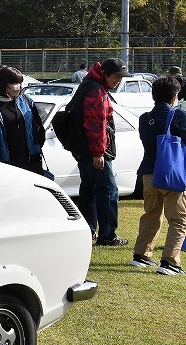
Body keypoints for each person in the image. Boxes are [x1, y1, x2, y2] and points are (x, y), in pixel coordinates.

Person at [69, 58, 130, 246]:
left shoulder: (88, 85)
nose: (118, 81)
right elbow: (96, 125)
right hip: (93, 151)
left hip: (82, 149)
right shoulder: (96, 91)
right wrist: (98, 153)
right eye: (116, 77)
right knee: (109, 189)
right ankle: (108, 235)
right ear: (105, 74)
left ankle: (88, 231)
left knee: (89, 188)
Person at [131, 76, 186, 275]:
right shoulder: (179, 116)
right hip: (172, 174)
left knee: (151, 215)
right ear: (174, 97)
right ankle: (170, 262)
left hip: (148, 172)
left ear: (153, 96)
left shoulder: (144, 118)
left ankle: (141, 255)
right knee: (178, 219)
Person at [0, 66, 48, 176]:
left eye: (19, 82)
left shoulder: (26, 101)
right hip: (4, 164)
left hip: (31, 161)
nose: (17, 86)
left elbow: (39, 127)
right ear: (2, 84)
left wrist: (37, 147)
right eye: (13, 83)